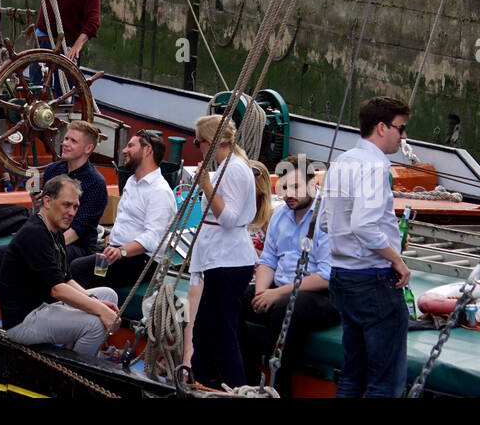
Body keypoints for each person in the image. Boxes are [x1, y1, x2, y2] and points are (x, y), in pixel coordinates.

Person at [319, 95, 413, 398]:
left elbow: (324, 223)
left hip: (342, 277)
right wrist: (396, 259)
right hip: (373, 281)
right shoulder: (375, 167)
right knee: (384, 382)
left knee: (352, 375)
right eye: (401, 129)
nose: (404, 137)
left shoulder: (342, 162)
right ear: (382, 128)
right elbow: (364, 225)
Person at [239, 155, 339, 396]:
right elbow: (268, 260)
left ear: (312, 183)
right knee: (234, 298)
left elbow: (326, 276)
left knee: (286, 308)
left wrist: (275, 294)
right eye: (284, 187)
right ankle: (249, 376)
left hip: (320, 295)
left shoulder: (326, 219)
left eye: (295, 186)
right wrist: (262, 291)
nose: (289, 193)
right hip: (279, 288)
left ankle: (279, 389)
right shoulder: (279, 217)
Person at [0, 175, 120, 357]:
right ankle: (75, 374)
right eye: (66, 205)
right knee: (95, 325)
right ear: (47, 201)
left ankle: (70, 351)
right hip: (24, 320)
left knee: (108, 295)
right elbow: (58, 290)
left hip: (45, 307)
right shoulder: (35, 234)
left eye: (75, 207)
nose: (71, 212)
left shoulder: (55, 233)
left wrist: (95, 301)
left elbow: (66, 279)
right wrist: (100, 310)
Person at [187, 114, 263, 389]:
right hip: (221, 259)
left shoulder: (231, 169)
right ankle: (205, 381)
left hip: (228, 261)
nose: (198, 147)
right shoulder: (228, 167)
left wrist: (205, 185)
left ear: (208, 142)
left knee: (220, 330)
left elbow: (229, 218)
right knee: (206, 329)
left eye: (197, 142)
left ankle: (235, 385)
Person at [69, 131, 176, 291]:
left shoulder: (159, 191)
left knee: (78, 269)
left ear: (147, 150)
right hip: (117, 252)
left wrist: (121, 251)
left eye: (131, 146)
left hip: (141, 262)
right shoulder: (132, 182)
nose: (124, 150)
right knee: (66, 257)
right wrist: (112, 237)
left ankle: (90, 310)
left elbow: (153, 238)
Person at [38, 120, 108, 263]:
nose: (65, 144)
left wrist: (47, 246)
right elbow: (42, 213)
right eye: (66, 139)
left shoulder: (96, 183)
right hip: (47, 237)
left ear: (88, 148)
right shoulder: (53, 170)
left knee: (39, 257)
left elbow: (78, 229)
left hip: (77, 247)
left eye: (73, 141)